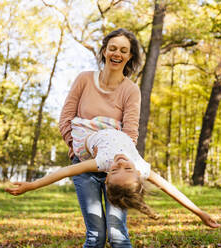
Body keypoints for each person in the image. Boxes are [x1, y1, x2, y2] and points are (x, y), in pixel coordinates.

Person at [5, 127, 221, 232]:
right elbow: (171, 189)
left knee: (116, 227)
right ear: (136, 172)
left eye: (116, 170)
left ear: (107, 178)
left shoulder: (102, 162)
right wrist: (200, 213)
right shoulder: (142, 169)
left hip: (88, 131)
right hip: (113, 127)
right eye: (126, 167)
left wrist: (31, 186)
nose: (119, 162)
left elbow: (64, 172)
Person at [58, 28, 142, 248]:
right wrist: (75, 147)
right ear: (104, 51)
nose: (117, 53)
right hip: (84, 165)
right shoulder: (85, 79)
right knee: (95, 236)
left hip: (116, 169)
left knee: (117, 234)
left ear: (129, 56)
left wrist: (117, 161)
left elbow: (130, 133)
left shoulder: (131, 90)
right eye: (112, 48)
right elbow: (66, 118)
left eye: (123, 50)